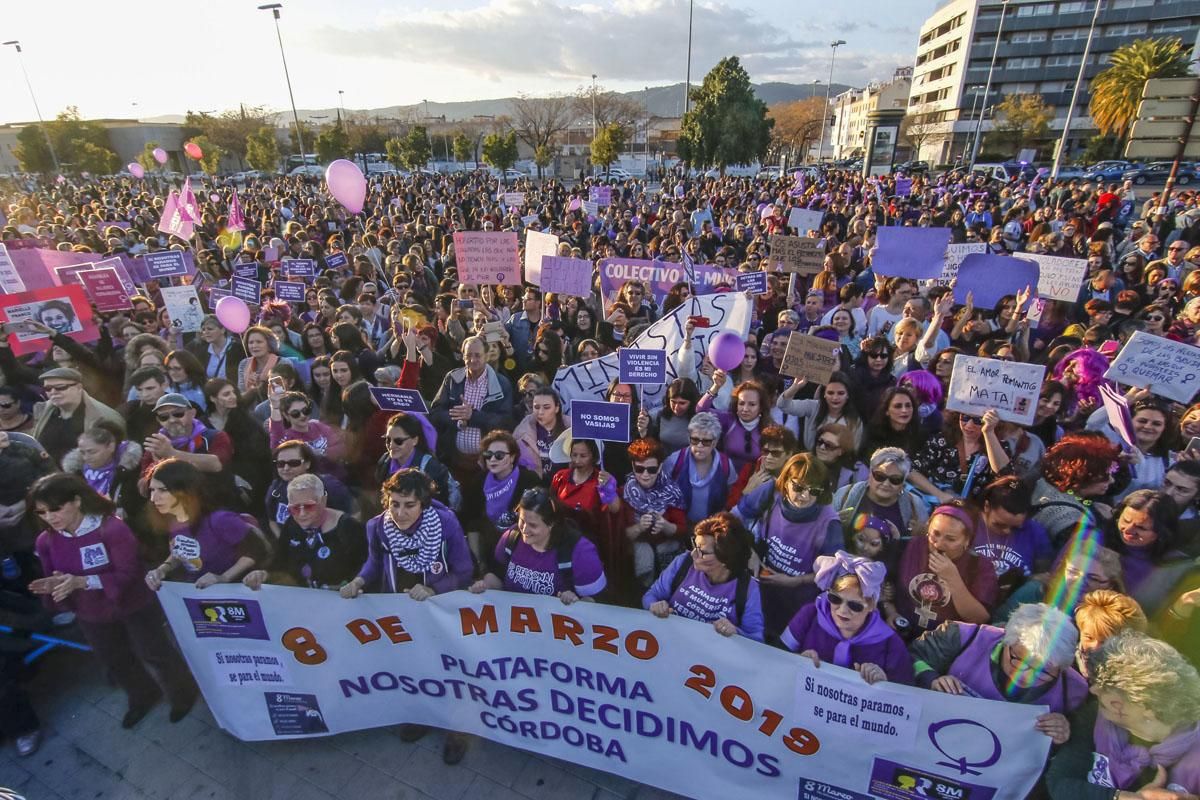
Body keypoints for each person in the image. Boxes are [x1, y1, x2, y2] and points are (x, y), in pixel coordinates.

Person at [28, 473, 198, 729]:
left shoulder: (111, 528)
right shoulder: (46, 540)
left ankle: (183, 693)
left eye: (55, 508)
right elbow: (54, 573)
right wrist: (55, 584)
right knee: (114, 658)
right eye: (42, 512)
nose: (50, 517)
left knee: (153, 651)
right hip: (91, 612)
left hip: (133, 604)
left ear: (76, 501)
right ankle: (142, 695)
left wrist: (81, 582)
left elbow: (127, 573)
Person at [340, 468, 473, 764]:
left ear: (423, 504)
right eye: (395, 503)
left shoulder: (446, 523)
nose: (400, 512)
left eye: (409, 505)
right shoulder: (377, 527)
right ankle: (422, 715)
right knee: (413, 666)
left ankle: (456, 730)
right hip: (400, 609)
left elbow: (464, 571)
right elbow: (373, 564)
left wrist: (432, 587)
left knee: (449, 670)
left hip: (439, 610)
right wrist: (358, 582)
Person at [1045, 632, 1200, 798]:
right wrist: (1120, 797)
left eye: (1105, 688)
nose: (1093, 690)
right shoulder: (1093, 717)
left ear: (1148, 710)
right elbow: (1059, 783)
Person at [910, 603, 1086, 745]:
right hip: (937, 739)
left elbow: (1080, 751)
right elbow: (909, 657)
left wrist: (1065, 732)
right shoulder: (963, 637)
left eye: (1043, 671)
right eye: (1020, 662)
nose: (1026, 677)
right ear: (1006, 641)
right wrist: (931, 679)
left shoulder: (1074, 690)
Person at [734, 453, 842, 639]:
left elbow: (833, 573)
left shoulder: (829, 521)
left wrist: (795, 581)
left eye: (814, 491)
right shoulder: (769, 492)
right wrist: (749, 552)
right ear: (785, 481)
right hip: (757, 592)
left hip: (796, 605)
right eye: (799, 487)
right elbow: (733, 519)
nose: (805, 496)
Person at [782, 550, 914, 685]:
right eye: (835, 599)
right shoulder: (810, 615)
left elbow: (905, 694)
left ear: (871, 606)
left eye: (854, 606)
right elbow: (775, 661)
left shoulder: (890, 643)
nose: (843, 610)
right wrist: (797, 660)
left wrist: (884, 683)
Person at [142, 459, 265, 591]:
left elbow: (255, 549)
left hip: (236, 594)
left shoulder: (220, 519)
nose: (154, 498)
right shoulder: (173, 519)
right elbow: (180, 551)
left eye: (163, 490)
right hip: (201, 593)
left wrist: (223, 577)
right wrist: (162, 569)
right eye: (152, 490)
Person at [471, 487, 607, 603]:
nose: (524, 529)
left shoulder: (580, 552)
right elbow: (497, 576)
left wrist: (575, 601)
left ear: (551, 524)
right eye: (522, 521)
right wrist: (484, 585)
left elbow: (597, 604)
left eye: (533, 525)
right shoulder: (512, 537)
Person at [643, 512, 764, 641]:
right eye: (694, 545)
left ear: (726, 558)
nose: (694, 554)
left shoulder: (748, 589)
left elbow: (756, 638)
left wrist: (735, 632)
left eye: (703, 552)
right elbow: (650, 595)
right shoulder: (683, 562)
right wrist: (654, 605)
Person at [243, 474, 366, 591]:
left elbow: (365, 570)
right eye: (295, 508)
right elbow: (280, 560)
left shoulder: (348, 527)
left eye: (309, 506)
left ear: (323, 500)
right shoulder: (292, 524)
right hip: (304, 597)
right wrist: (263, 574)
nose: (302, 514)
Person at [896, 503, 999, 635]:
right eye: (935, 534)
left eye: (950, 539)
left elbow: (979, 618)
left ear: (967, 540)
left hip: (944, 642)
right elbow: (886, 587)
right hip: (902, 630)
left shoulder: (980, 566)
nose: (939, 544)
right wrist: (890, 611)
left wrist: (953, 578)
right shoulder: (912, 546)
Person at [464, 430, 542, 562]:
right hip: (487, 547)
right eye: (488, 455)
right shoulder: (479, 481)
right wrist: (479, 563)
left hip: (521, 544)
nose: (493, 459)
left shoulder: (529, 480)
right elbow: (472, 523)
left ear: (512, 457)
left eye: (499, 455)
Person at [622, 438, 687, 590]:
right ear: (633, 466)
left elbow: (683, 530)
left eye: (651, 469)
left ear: (660, 467)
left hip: (666, 553)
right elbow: (619, 535)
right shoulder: (624, 492)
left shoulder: (671, 491)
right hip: (637, 562)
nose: (645, 475)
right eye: (639, 469)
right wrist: (639, 527)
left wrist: (666, 526)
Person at [33, 367, 124, 466]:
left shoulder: (103, 417)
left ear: (79, 387)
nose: (53, 392)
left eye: (61, 387)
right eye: (48, 389)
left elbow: (115, 456)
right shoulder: (43, 410)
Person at [832, 447, 929, 539]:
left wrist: (918, 536)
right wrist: (833, 523)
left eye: (895, 479)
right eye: (880, 476)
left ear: (903, 483)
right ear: (870, 475)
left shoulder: (915, 505)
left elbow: (923, 545)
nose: (886, 484)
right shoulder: (845, 494)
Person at [662, 412, 737, 525]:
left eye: (706, 441)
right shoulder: (674, 461)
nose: (700, 446)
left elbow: (731, 495)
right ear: (689, 439)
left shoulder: (725, 464)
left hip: (711, 528)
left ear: (715, 442)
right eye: (695, 440)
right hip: (679, 526)